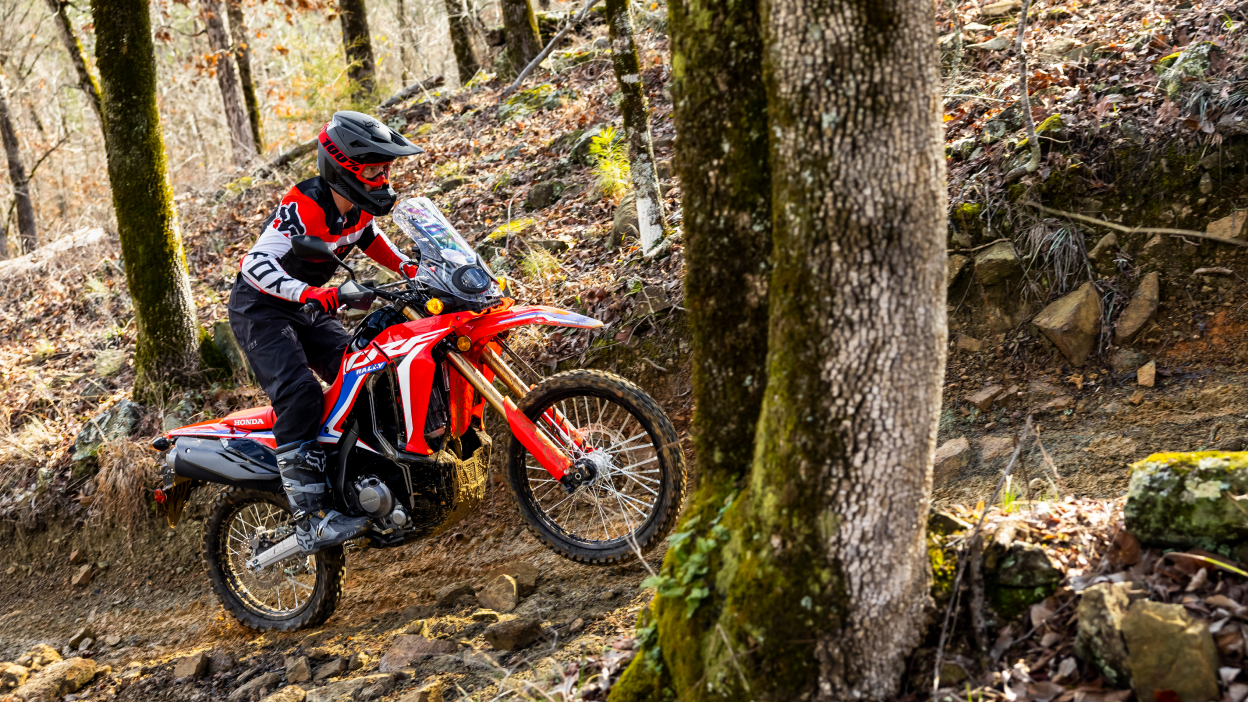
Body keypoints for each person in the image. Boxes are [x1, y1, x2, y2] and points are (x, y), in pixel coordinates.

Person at [228, 111, 423, 553]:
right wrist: (309, 293)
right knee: (301, 394)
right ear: (344, 167)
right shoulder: (304, 205)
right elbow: (254, 265)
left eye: (386, 169)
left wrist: (409, 267)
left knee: (366, 373)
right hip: (261, 309)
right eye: (374, 169)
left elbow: (369, 238)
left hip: (309, 304)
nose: (382, 177)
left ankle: (361, 486)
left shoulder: (355, 207)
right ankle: (309, 517)